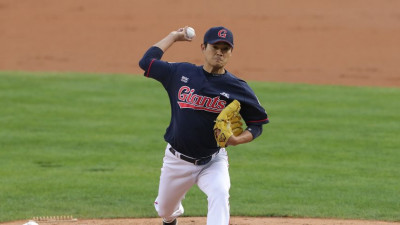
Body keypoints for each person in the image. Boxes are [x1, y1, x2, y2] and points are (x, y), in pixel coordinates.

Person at [138, 26, 269, 225]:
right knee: (165, 210)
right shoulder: (180, 72)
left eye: (225, 48)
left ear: (231, 53)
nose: (219, 52)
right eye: (215, 46)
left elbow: (257, 123)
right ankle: (171, 216)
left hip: (213, 160)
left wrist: (237, 140)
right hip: (177, 160)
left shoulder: (237, 87)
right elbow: (146, 62)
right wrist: (173, 37)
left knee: (220, 192)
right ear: (203, 47)